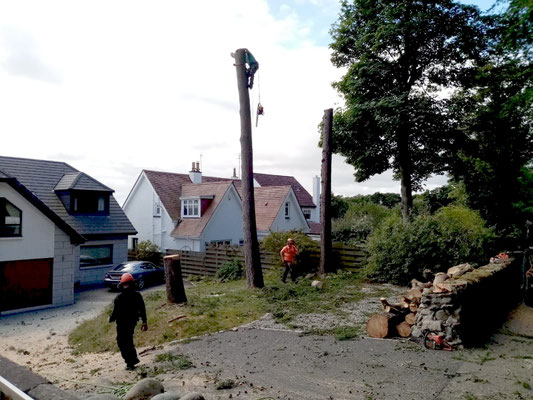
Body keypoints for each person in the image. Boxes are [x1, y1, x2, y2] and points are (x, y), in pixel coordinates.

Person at [109, 273, 148, 370]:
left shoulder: (119, 297)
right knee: (129, 340)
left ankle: (130, 362)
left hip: (122, 323)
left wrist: (110, 318)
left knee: (121, 342)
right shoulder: (137, 295)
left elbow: (115, 312)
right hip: (132, 322)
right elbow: (142, 309)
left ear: (122, 284)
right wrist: (144, 321)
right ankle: (132, 361)